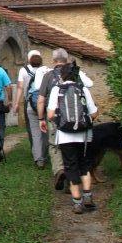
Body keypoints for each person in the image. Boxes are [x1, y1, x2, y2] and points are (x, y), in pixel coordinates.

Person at [37, 48, 93, 190]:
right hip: (78, 119)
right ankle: (72, 182)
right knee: (73, 150)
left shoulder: (48, 76)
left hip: (56, 117)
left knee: (54, 145)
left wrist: (41, 118)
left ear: (54, 60)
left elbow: (41, 99)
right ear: (66, 60)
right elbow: (88, 87)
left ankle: (60, 170)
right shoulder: (75, 74)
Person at [47, 61, 99, 214]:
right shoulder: (83, 89)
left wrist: (61, 121)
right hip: (83, 136)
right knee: (84, 165)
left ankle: (77, 202)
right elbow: (94, 113)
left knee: (70, 167)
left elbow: (50, 114)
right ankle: (87, 196)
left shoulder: (57, 90)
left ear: (62, 75)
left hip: (64, 136)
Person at [14, 49, 47, 167]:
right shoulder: (46, 70)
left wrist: (17, 103)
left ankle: (39, 158)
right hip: (45, 103)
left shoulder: (23, 70)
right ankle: (45, 154)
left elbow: (20, 87)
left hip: (30, 103)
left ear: (29, 59)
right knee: (45, 130)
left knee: (34, 131)